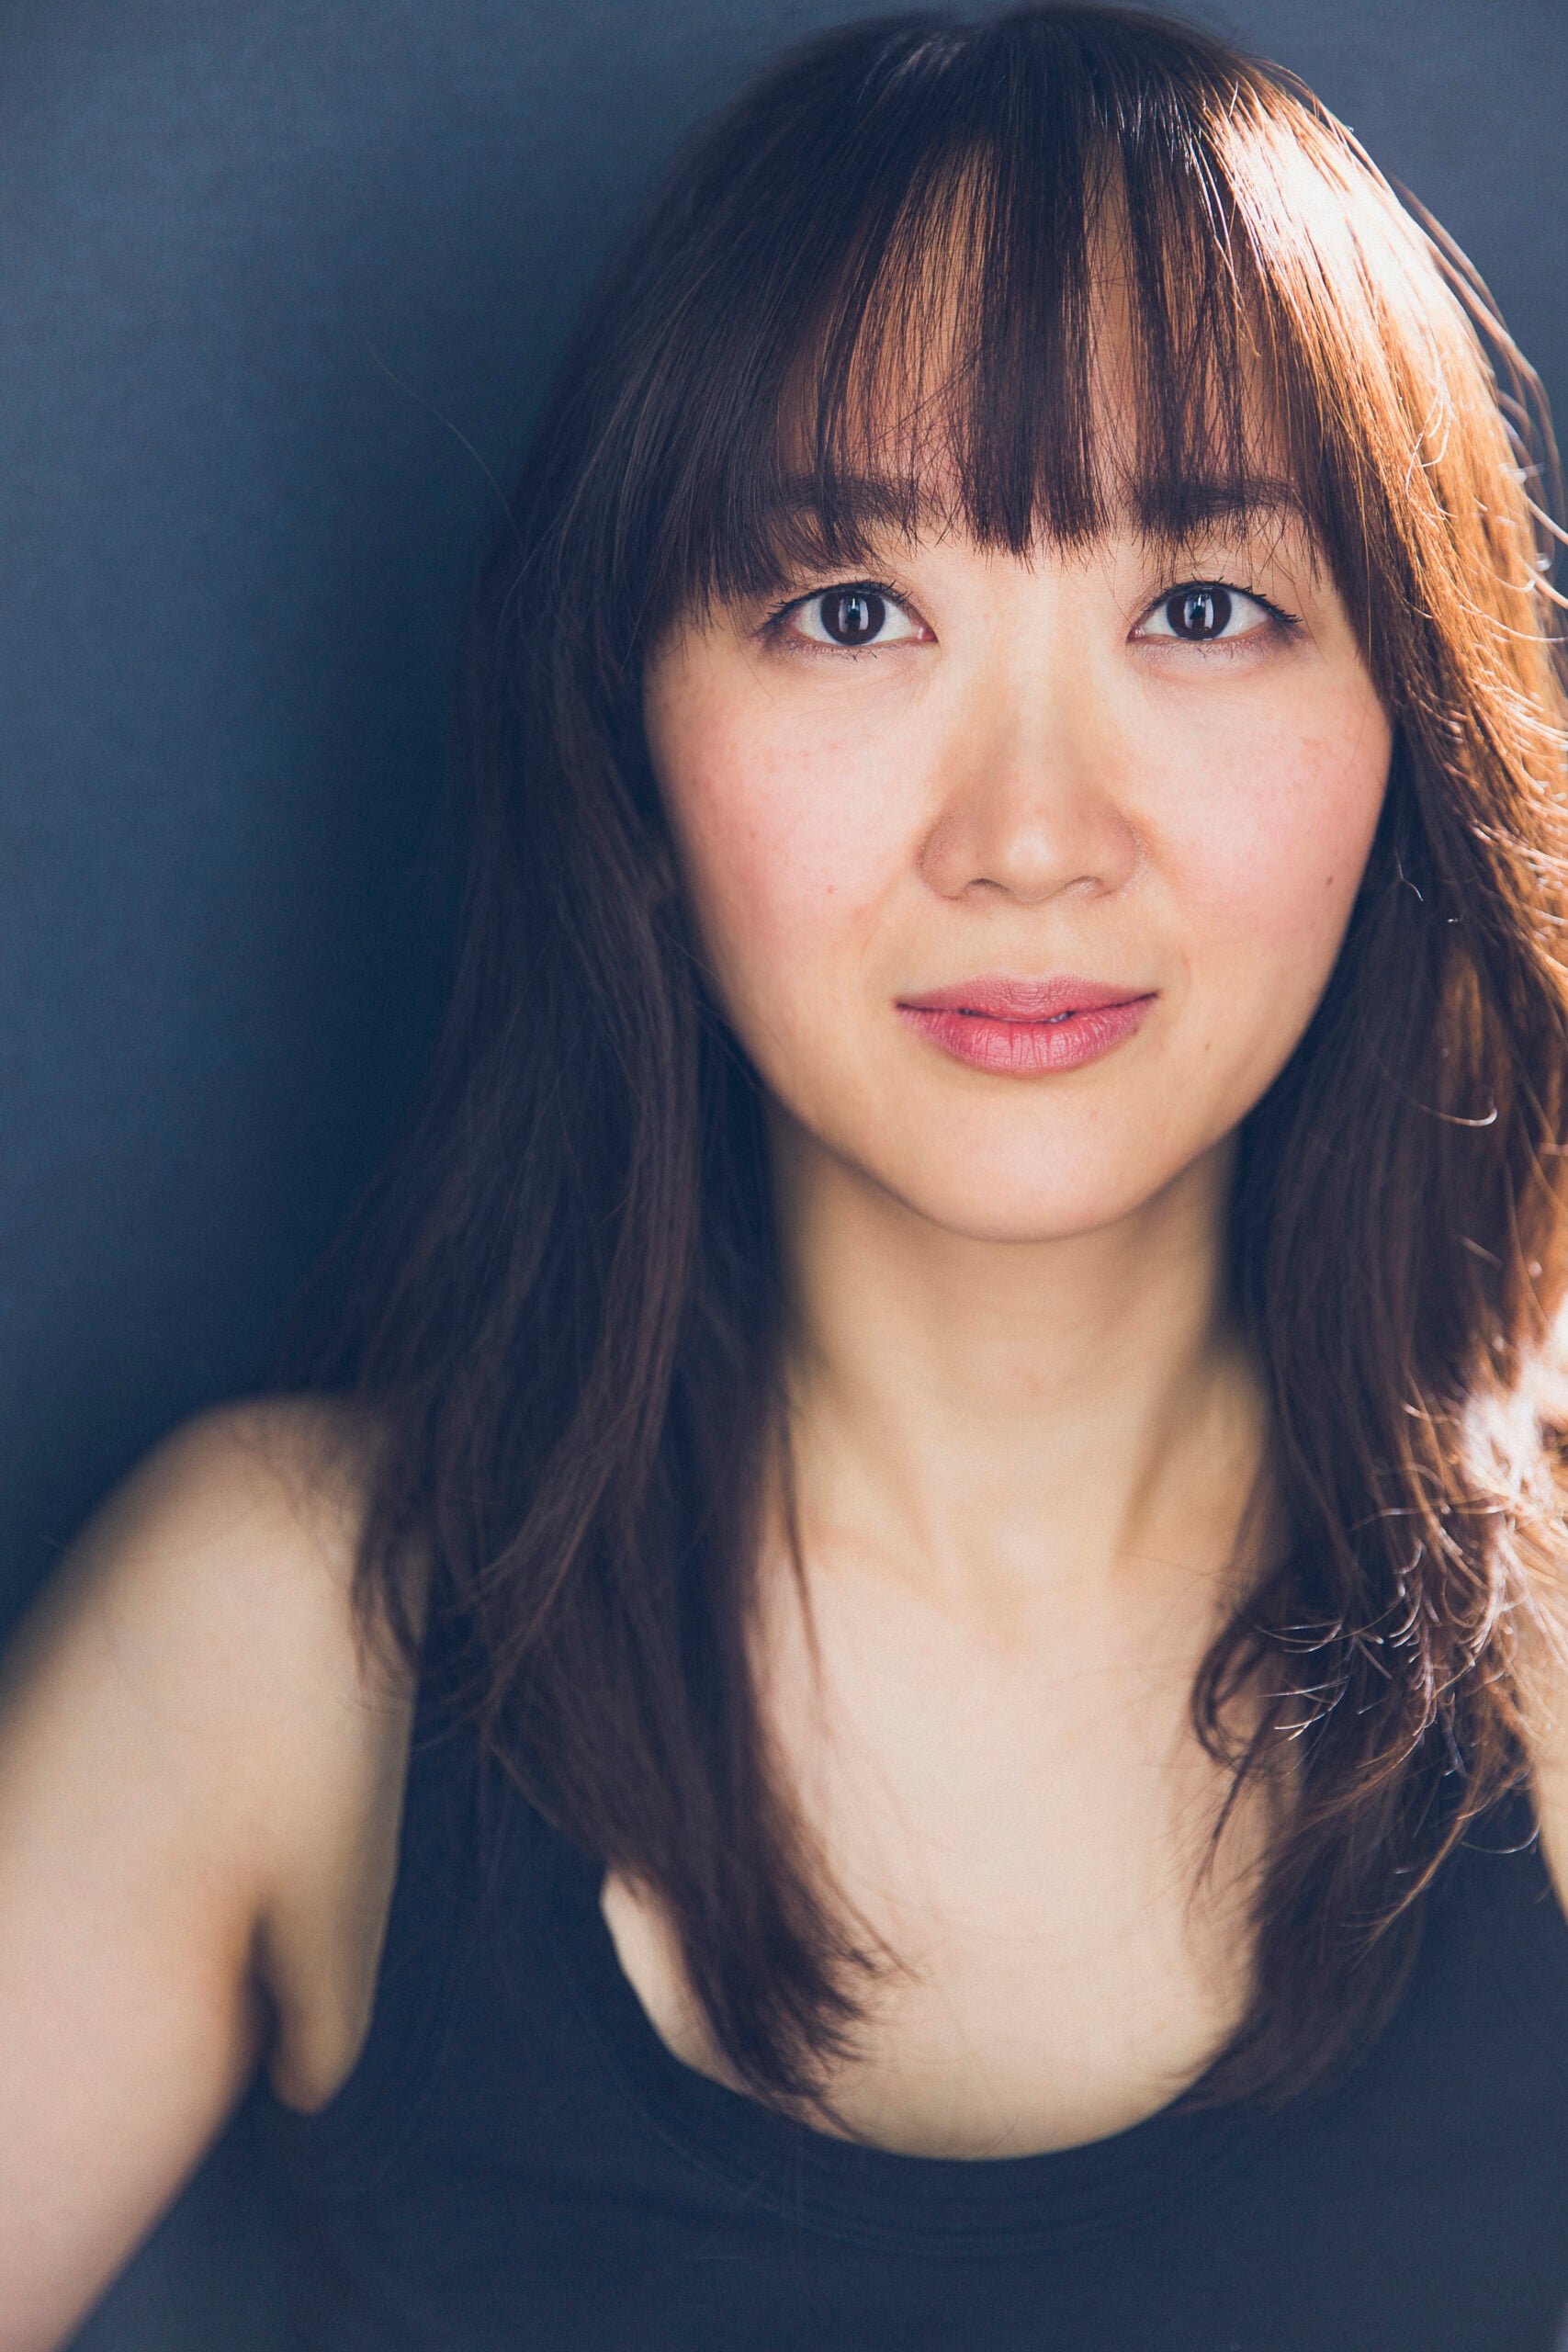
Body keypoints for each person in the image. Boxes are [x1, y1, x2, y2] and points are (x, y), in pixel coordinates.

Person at [4, 5, 1567, 2346]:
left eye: (1201, 608)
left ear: (1408, 726)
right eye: (851, 613)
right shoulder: (287, 1632)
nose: (1028, 835)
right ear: (631, 726)